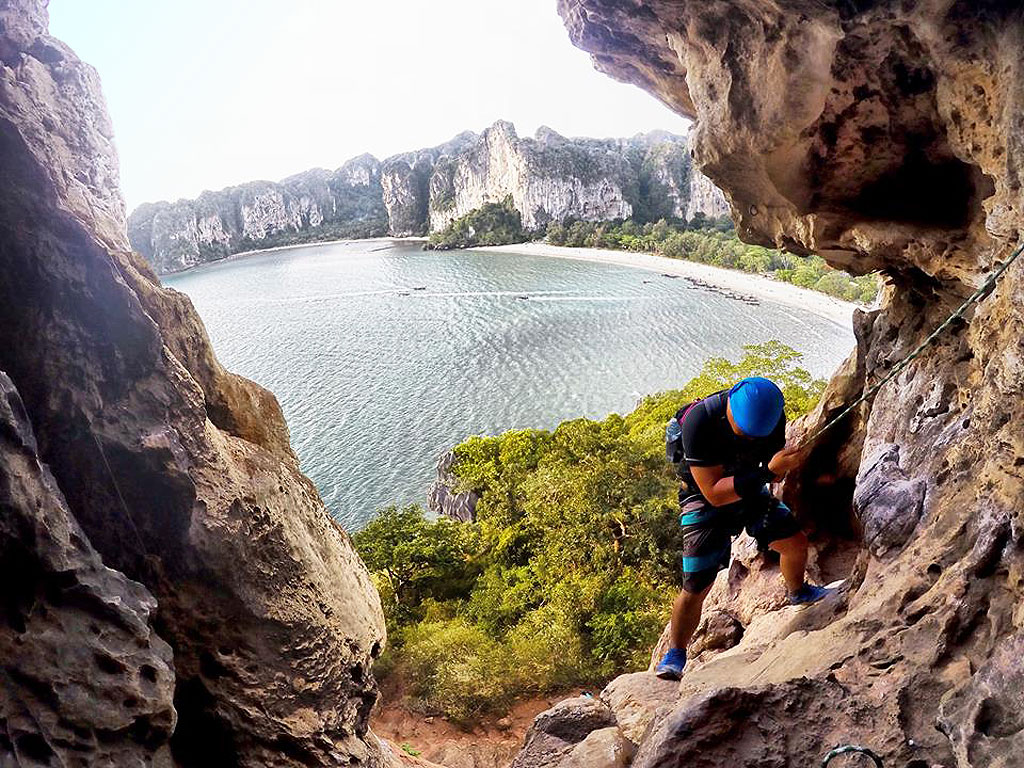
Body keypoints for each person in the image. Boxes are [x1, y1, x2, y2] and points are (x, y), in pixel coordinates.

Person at [655, 377, 832, 681]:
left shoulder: (772, 419)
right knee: (697, 584)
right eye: (744, 433)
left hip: (747, 486)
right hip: (704, 496)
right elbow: (713, 492)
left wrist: (783, 465)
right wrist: (767, 471)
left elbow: (772, 475)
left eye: (756, 435)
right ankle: (676, 654)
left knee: (794, 541)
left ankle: (798, 592)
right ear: (730, 409)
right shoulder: (701, 421)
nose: (751, 440)